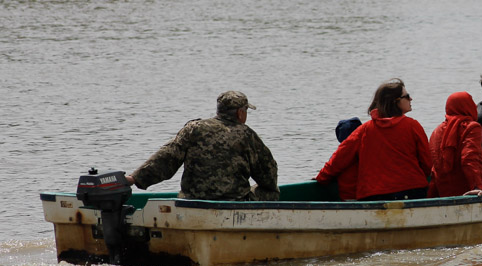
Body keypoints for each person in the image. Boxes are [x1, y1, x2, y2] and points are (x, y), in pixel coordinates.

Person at [125, 90, 279, 201]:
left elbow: (165, 158)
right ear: (240, 113)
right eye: (246, 110)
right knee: (271, 192)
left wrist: (135, 178)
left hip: (192, 201)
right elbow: (268, 175)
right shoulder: (247, 135)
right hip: (234, 203)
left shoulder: (194, 128)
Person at [315, 79, 432, 201]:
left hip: (373, 195)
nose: (411, 99)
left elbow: (340, 157)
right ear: (395, 102)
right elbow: (426, 162)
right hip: (412, 190)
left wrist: (322, 178)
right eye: (407, 96)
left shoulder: (364, 130)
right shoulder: (413, 126)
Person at [428, 92, 482, 198]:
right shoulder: (472, 127)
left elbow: (434, 167)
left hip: (444, 193)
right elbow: (469, 158)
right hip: (469, 191)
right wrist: (477, 187)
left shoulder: (436, 131)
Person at [314, 117, 362, 200]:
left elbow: (332, 167)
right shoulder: (368, 146)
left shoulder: (346, 149)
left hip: (351, 195)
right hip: (368, 193)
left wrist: (319, 178)